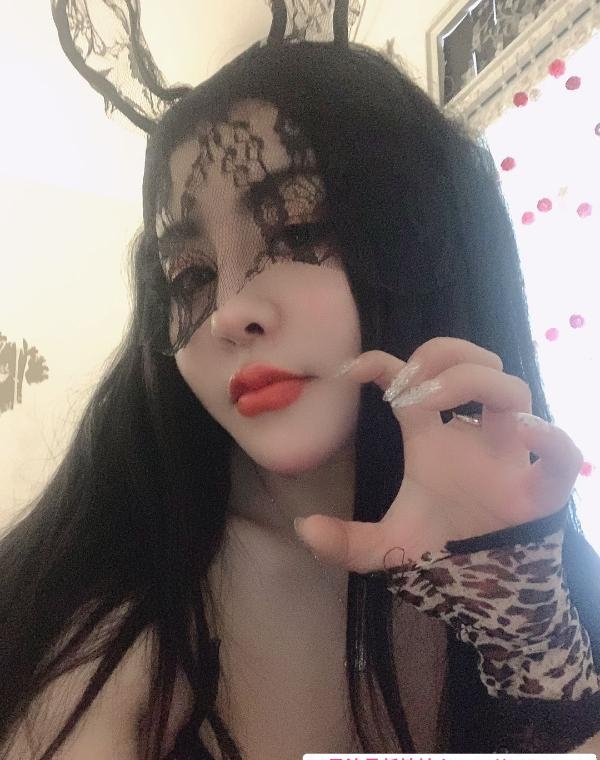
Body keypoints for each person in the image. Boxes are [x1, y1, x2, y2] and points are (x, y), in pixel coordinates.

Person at [2, 2, 600, 758]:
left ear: (431, 243)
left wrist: (529, 634)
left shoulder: (529, 560)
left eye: (301, 231)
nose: (228, 313)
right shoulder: (117, 614)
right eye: (190, 276)